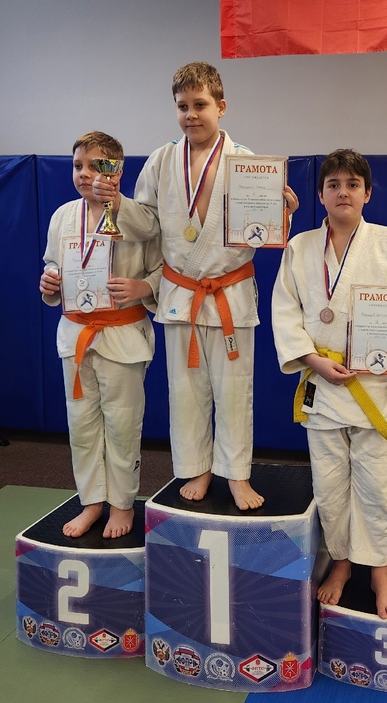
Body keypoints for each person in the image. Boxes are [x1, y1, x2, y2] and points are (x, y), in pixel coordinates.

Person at [93, 61, 299, 510]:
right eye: (182, 106)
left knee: (234, 390)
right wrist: (119, 203)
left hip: (229, 293)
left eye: (200, 105)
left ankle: (236, 474)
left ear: (221, 107)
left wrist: (280, 216)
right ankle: (196, 469)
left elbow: (258, 235)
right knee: (185, 391)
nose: (191, 114)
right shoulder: (162, 160)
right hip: (181, 292)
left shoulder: (248, 163)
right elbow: (147, 224)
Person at [272, 149, 387, 619]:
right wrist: (311, 360)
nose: (342, 192)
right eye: (333, 185)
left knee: (378, 487)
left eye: (352, 184)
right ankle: (342, 563)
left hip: (375, 384)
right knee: (329, 485)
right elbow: (285, 310)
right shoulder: (300, 246)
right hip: (323, 383)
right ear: (320, 194)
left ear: (367, 193)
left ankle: (379, 571)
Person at [40, 132, 162, 539]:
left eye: (95, 165)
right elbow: (53, 265)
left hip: (122, 334)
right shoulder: (62, 217)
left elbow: (163, 269)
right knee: (82, 425)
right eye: (78, 166)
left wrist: (143, 287)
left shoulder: (140, 217)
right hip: (75, 334)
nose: (84, 173)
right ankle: (91, 501)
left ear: (117, 171)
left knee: (122, 425)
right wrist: (49, 282)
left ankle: (122, 504)